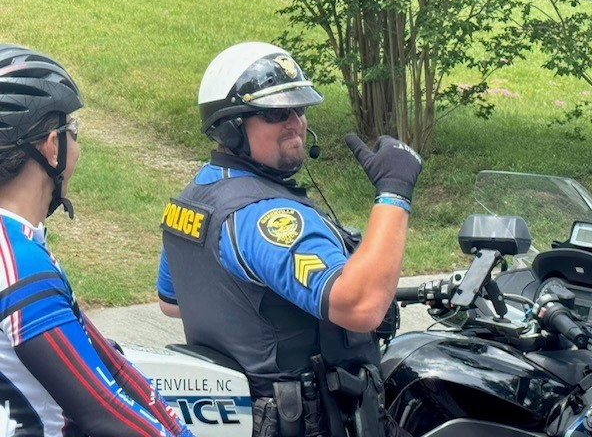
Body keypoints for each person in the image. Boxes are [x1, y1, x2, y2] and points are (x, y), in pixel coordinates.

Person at [157, 41, 422, 437]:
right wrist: (394, 191)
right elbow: (361, 306)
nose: (296, 122)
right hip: (311, 424)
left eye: (299, 109)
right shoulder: (268, 217)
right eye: (276, 113)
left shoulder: (194, 198)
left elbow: (173, 302)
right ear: (230, 127)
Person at [0, 44, 195, 437]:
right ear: (51, 146)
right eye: (73, 132)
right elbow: (102, 412)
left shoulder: (17, 246)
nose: (78, 147)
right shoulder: (20, 265)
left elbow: (110, 364)